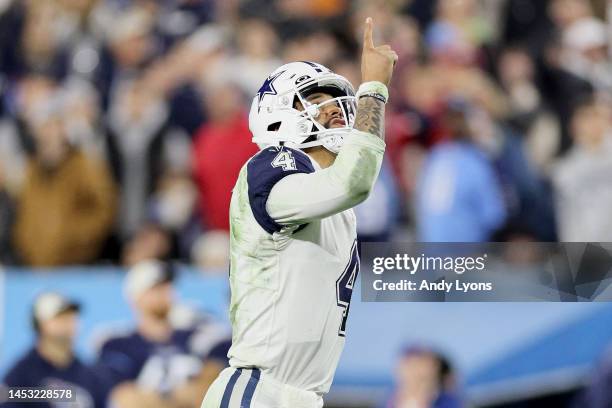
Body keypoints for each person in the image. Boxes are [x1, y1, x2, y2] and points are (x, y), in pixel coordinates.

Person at [201, 17, 397, 408]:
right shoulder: (274, 163)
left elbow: (346, 184)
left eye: (332, 97)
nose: (332, 108)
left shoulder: (332, 202)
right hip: (261, 390)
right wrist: (373, 90)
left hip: (304, 396)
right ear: (277, 114)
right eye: (314, 99)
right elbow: (352, 182)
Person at [95, 259, 228, 408]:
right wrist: (178, 399)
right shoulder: (118, 343)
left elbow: (215, 381)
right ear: (136, 297)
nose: (165, 292)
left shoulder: (197, 333)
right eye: (156, 288)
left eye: (167, 286)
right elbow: (124, 397)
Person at [1, 292, 109, 408]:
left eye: (71, 316)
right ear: (40, 324)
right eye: (60, 317)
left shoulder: (91, 376)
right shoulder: (21, 375)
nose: (68, 322)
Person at [382, 346, 462, 408]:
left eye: (418, 365)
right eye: (409, 366)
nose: (413, 372)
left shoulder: (446, 401)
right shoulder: (391, 400)